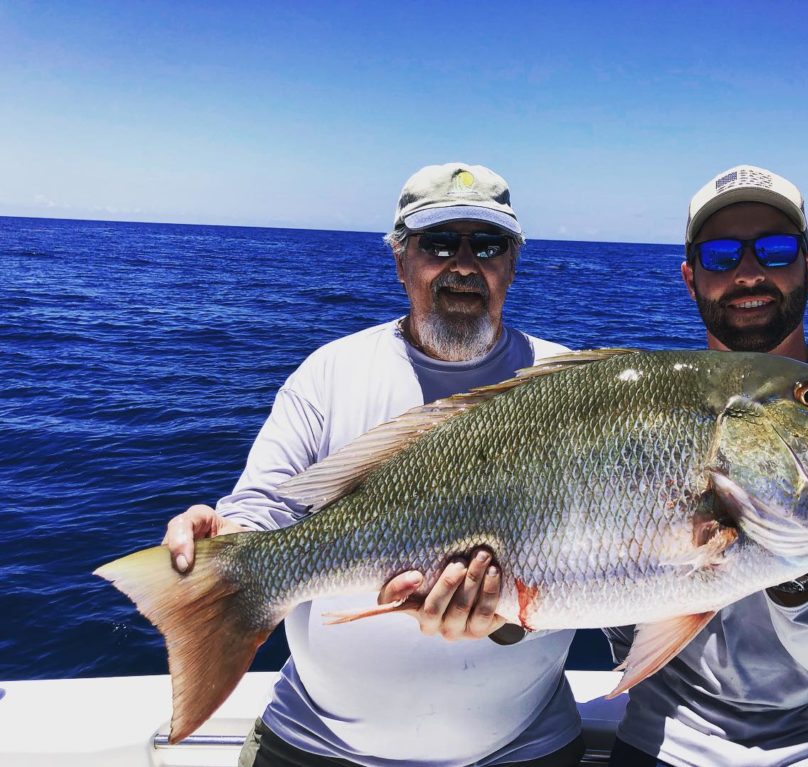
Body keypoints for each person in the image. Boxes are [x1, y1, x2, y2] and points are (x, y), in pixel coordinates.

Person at [163, 162, 584, 767]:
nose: (463, 264)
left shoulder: (567, 384)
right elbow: (265, 505)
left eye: (486, 245)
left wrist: (510, 618)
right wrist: (231, 540)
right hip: (315, 744)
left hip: (522, 749)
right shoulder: (330, 372)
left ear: (511, 264)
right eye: (438, 244)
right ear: (400, 259)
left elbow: (602, 555)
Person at [606, 165, 808, 766]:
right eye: (722, 255)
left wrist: (794, 565)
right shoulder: (637, 405)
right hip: (660, 741)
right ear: (690, 277)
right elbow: (612, 613)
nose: (749, 273)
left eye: (775, 250)